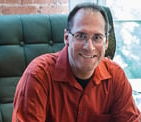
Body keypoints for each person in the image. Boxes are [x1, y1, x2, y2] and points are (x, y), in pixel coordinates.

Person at [12, 2, 141, 122]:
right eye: (81, 36)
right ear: (67, 38)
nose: (89, 47)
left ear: (106, 42)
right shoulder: (38, 76)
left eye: (97, 37)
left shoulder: (115, 76)